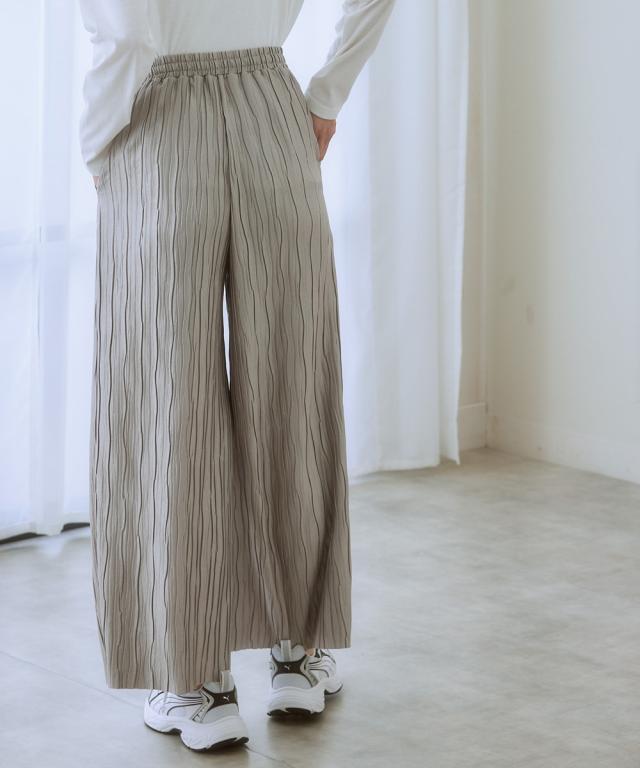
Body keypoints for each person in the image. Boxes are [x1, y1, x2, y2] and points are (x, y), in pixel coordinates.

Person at [78, 0, 396, 752]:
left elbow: (128, 27)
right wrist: (325, 96)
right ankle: (298, 652)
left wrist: (98, 141)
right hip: (271, 109)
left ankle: (197, 683)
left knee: (168, 399)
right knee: (292, 380)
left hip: (158, 118)